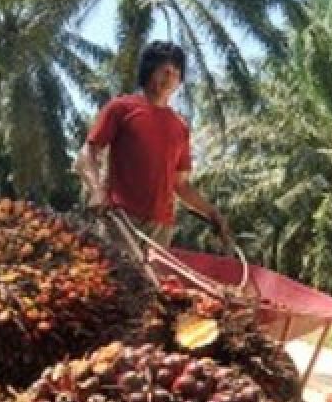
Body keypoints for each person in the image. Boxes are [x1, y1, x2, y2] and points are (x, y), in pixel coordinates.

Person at [74, 41, 231, 248]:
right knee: (115, 276)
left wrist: (211, 212)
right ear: (149, 71)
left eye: (176, 73)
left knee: (153, 281)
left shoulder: (180, 126)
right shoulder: (122, 108)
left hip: (161, 229)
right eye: (165, 71)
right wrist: (97, 191)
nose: (171, 78)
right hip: (120, 219)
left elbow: (180, 185)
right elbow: (87, 154)